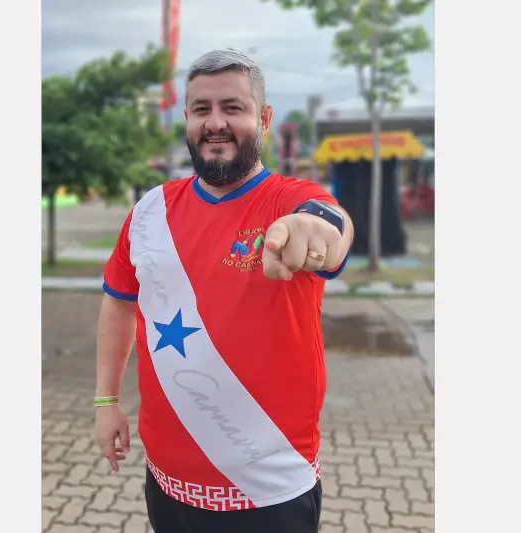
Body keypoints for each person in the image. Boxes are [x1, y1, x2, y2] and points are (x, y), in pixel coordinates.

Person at [94, 49, 355, 533]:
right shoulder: (150, 212)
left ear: (264, 119)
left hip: (270, 492)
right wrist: (105, 402)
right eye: (202, 109)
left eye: (232, 107)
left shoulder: (290, 200)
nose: (215, 123)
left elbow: (330, 223)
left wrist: (318, 229)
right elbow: (118, 303)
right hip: (167, 483)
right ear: (187, 119)